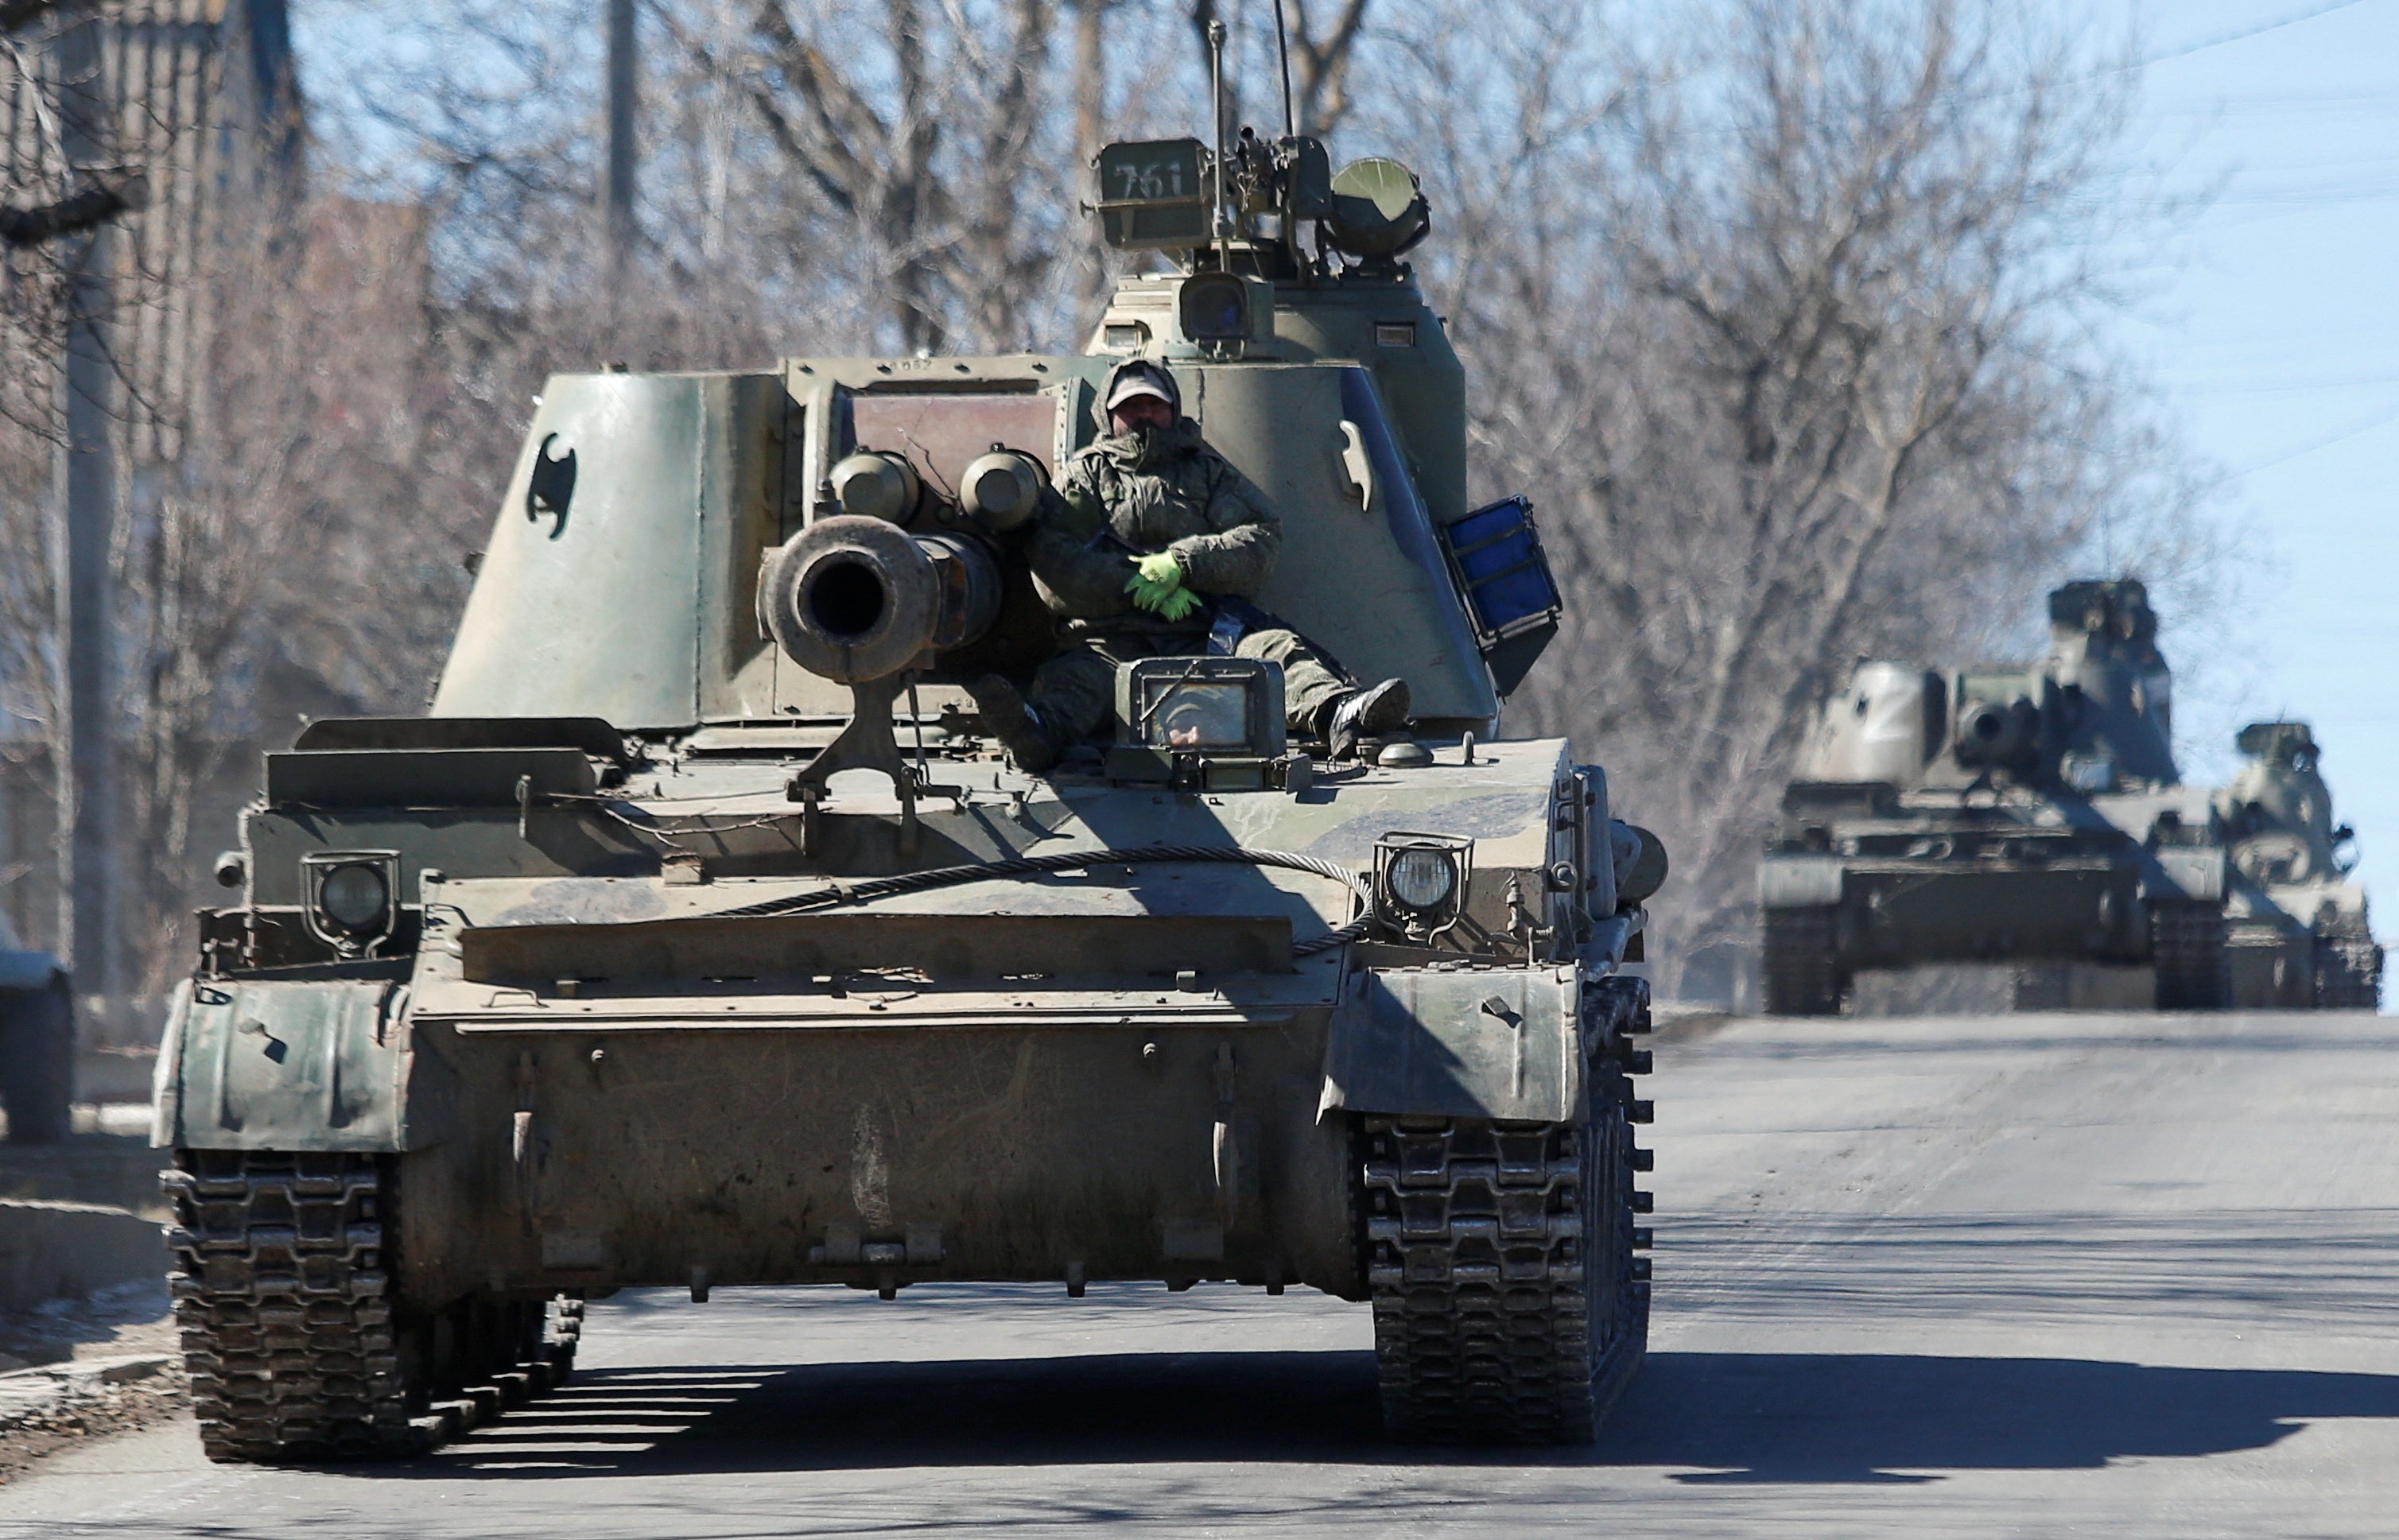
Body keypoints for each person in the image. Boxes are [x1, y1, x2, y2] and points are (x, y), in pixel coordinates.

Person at [969, 359, 1409, 771]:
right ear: (1109, 415)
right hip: (1110, 644)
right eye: (1130, 407)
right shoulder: (1085, 478)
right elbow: (1054, 562)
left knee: (1274, 653)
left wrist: (1182, 564)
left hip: (1208, 635)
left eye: (1153, 405)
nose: (1143, 415)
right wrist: (1137, 582)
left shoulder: (1207, 472)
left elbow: (1260, 537)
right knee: (1076, 684)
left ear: (1172, 411)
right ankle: (1034, 732)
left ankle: (1340, 713)